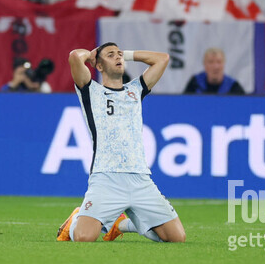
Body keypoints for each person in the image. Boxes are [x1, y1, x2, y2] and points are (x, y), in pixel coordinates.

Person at [57, 43, 186, 243]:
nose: (118, 58)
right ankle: (76, 218)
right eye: (111, 55)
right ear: (98, 66)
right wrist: (93, 55)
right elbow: (74, 56)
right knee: (83, 238)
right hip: (106, 178)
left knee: (176, 238)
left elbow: (162, 59)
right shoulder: (91, 91)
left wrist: (124, 54)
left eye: (120, 55)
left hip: (140, 178)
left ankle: (120, 225)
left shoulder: (135, 89)